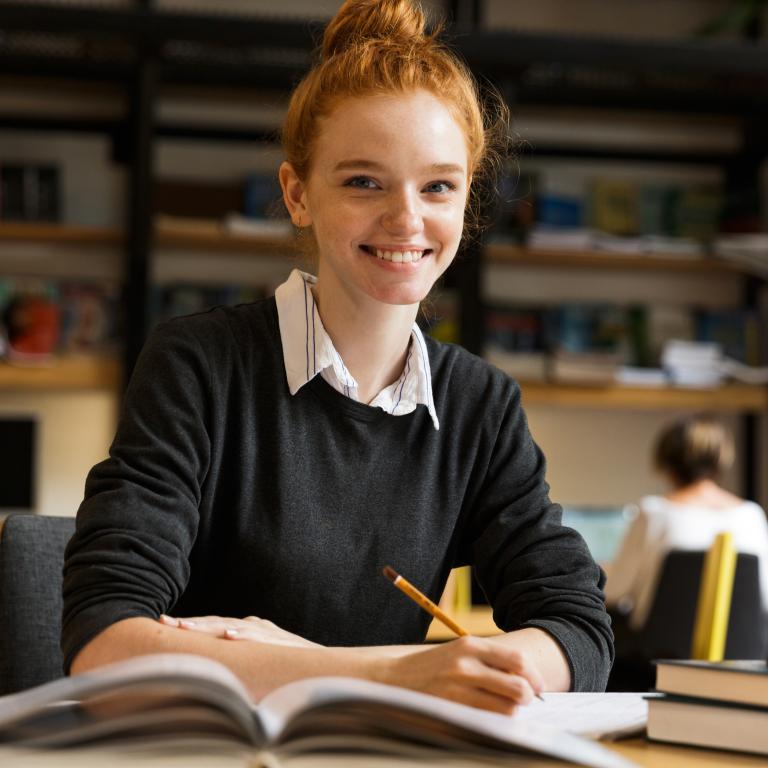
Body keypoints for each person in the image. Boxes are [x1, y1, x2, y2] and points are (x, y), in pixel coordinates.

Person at [62, 0, 612, 713]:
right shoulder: (199, 365)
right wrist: (394, 674)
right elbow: (103, 645)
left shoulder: (481, 405)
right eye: (363, 181)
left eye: (438, 185)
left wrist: (323, 663)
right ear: (297, 194)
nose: (407, 219)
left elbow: (579, 636)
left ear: (467, 198)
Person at [605, 413, 768, 631]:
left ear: (665, 460)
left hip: (656, 654)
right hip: (742, 655)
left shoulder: (654, 512)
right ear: (722, 458)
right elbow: (763, 597)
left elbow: (615, 592)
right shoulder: (751, 515)